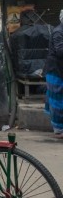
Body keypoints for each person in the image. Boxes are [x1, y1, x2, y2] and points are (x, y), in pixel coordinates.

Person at [44, 9, 63, 139]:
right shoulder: (58, 32)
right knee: (57, 100)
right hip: (55, 70)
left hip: (60, 70)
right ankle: (58, 129)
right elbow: (60, 51)